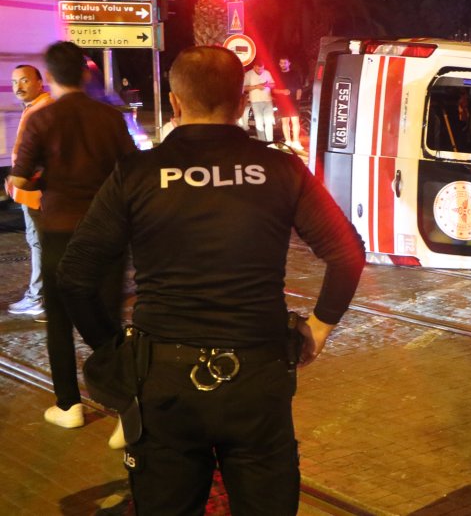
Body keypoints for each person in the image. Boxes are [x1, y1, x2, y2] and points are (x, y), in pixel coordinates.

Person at [58, 45, 366, 515]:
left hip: (163, 382)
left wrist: (112, 352)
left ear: (175, 101)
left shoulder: (137, 173)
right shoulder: (282, 169)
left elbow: (75, 276)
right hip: (258, 377)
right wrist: (319, 329)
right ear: (242, 102)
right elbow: (346, 254)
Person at [7, 42, 136, 429]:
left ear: (49, 77)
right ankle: (128, 408)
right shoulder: (109, 118)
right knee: (108, 317)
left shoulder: (42, 120)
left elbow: (18, 176)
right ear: (84, 73)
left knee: (60, 320)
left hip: (60, 231)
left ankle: (68, 405)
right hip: (108, 231)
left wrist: (38, 179)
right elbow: (131, 169)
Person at [5, 64, 54, 316]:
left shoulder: (41, 110)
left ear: (39, 83)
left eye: (24, 81)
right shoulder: (35, 108)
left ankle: (38, 297)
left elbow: (40, 155)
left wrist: (23, 178)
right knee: (39, 242)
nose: (18, 87)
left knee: (38, 243)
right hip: (30, 191)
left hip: (36, 194)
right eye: (14, 82)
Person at [274, 56, 304, 150]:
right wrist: (282, 91)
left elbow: (299, 88)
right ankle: (288, 141)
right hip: (282, 102)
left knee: (295, 121)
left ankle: (296, 141)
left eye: (285, 63)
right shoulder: (276, 75)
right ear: (279, 64)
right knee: (285, 121)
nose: (283, 64)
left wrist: (298, 100)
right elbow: (273, 90)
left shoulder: (295, 73)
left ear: (289, 63)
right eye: (281, 63)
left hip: (293, 101)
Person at [243, 59, 275, 142]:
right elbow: (244, 88)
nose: (260, 71)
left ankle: (270, 140)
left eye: (262, 69)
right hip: (256, 101)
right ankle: (262, 141)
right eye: (258, 69)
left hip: (267, 100)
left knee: (268, 121)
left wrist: (267, 85)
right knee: (259, 121)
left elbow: (273, 84)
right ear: (254, 67)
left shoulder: (267, 73)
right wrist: (256, 87)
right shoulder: (248, 74)